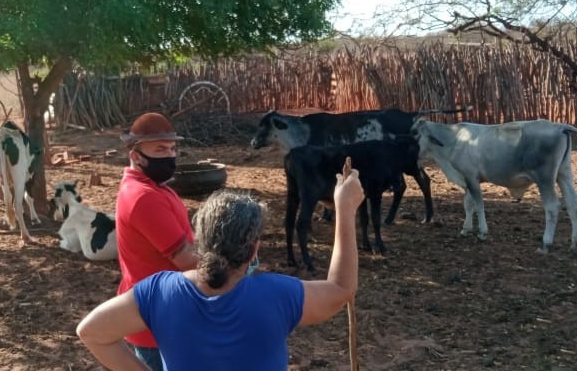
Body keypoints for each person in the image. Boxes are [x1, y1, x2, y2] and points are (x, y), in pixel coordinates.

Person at [77, 157, 365, 371]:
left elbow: (91, 332)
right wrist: (345, 208)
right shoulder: (277, 295)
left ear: (199, 241)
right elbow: (341, 288)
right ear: (254, 250)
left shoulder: (159, 292)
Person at [113, 112, 200, 371]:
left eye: (173, 148)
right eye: (160, 149)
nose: (170, 155)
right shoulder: (144, 197)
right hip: (158, 321)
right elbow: (185, 258)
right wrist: (233, 258)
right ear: (135, 155)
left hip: (163, 312)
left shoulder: (155, 187)